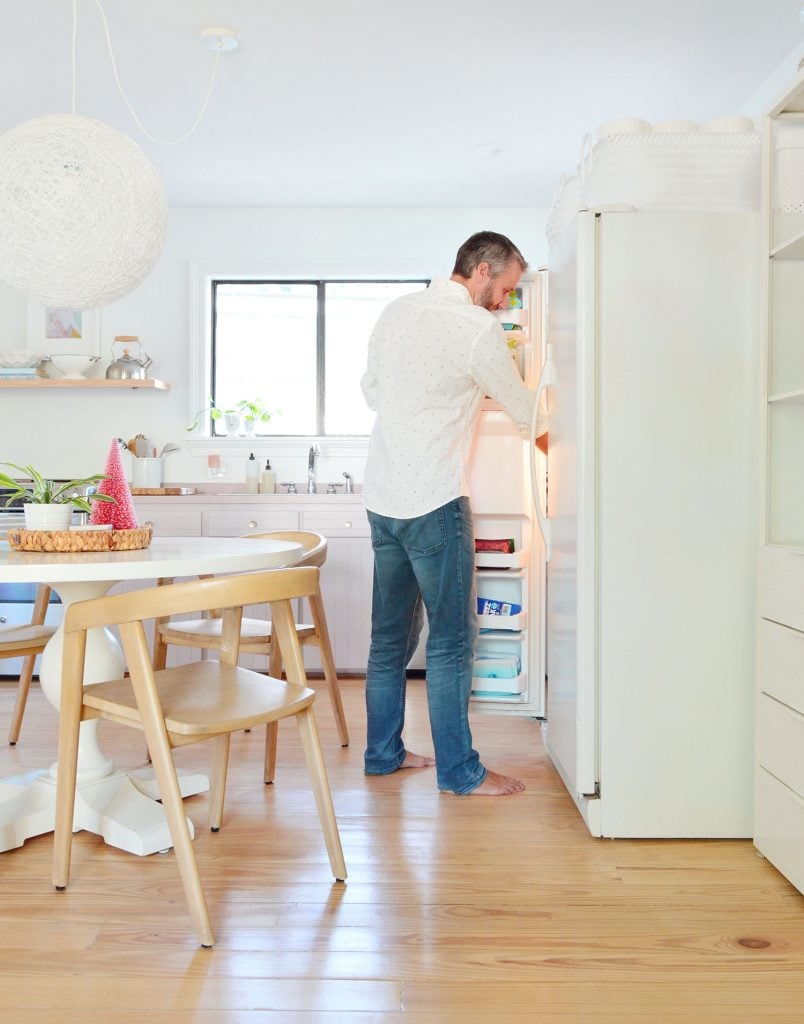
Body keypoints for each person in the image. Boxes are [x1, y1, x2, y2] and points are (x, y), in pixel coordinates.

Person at [360, 230, 548, 797]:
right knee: (449, 641)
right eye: (507, 290)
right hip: (435, 501)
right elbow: (526, 411)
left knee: (388, 641)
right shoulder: (475, 328)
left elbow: (372, 391)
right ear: (484, 271)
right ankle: (461, 772)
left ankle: (383, 755)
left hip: (383, 499)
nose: (506, 303)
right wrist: (569, 463)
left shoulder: (397, 311)